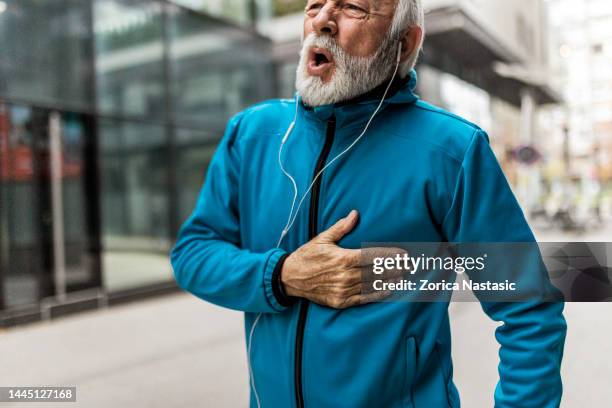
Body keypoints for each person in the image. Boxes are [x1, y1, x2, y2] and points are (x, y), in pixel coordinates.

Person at [170, 0, 567, 407]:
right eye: (314, 5)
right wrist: (282, 275)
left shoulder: (451, 151)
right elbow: (193, 254)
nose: (322, 20)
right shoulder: (252, 134)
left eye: (352, 8)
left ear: (403, 42)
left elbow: (529, 312)